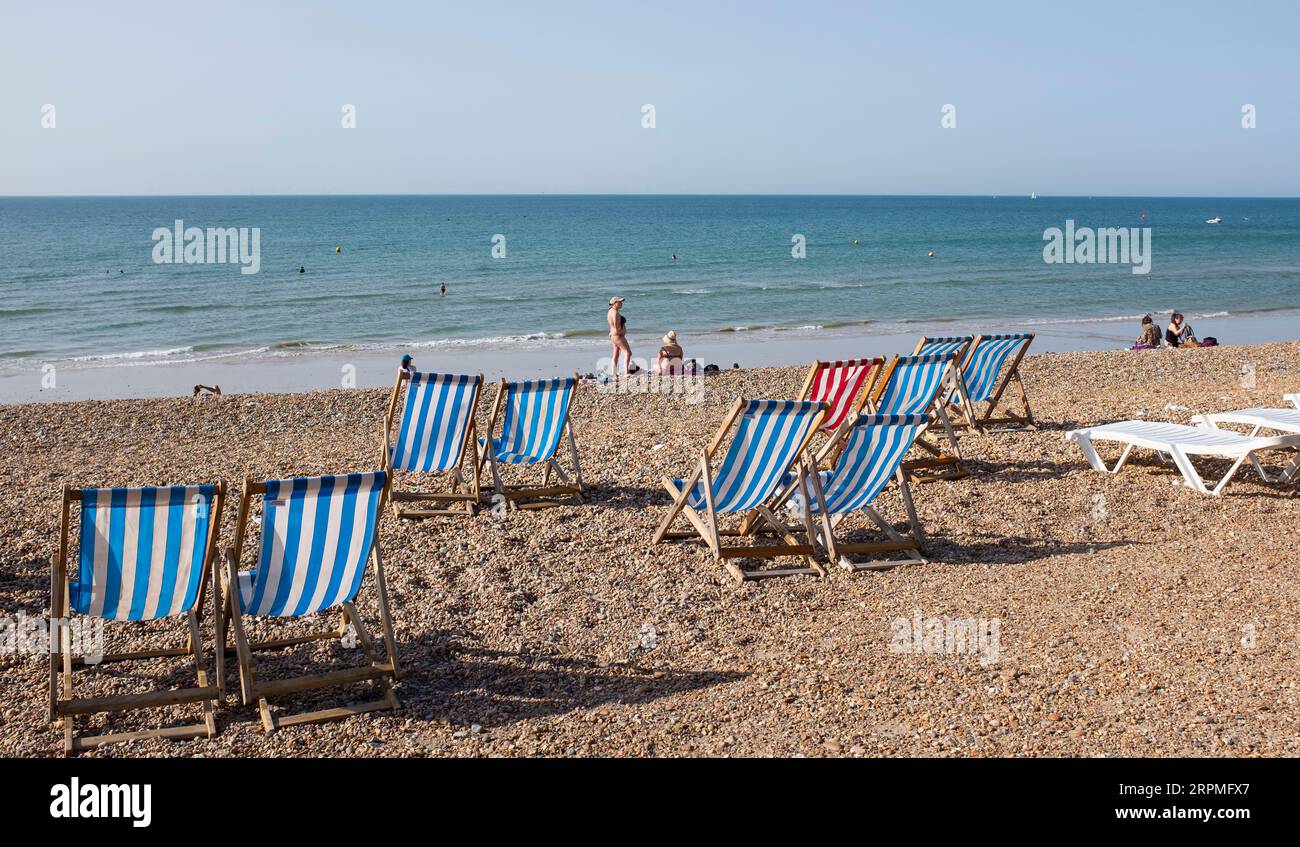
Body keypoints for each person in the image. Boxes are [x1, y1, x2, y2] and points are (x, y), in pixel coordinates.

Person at [607, 296, 638, 375]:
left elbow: (613, 326)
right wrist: (622, 332)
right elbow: (617, 328)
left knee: (616, 354)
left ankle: (614, 372)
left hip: (613, 335)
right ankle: (626, 372)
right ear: (615, 303)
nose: (621, 303)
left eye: (621, 302)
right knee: (628, 352)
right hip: (618, 336)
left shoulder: (610, 311)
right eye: (620, 302)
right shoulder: (615, 313)